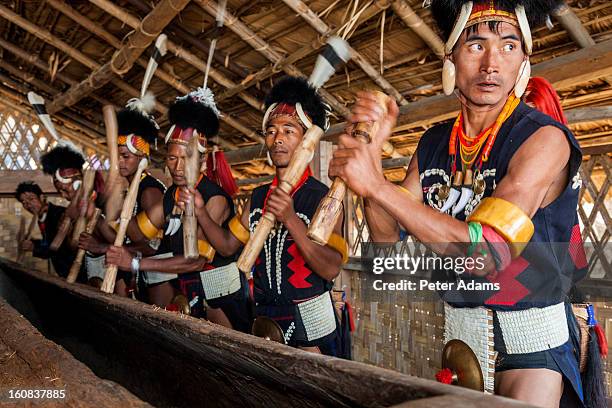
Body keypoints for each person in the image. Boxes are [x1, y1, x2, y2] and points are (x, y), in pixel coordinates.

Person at [327, 0, 591, 405]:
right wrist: (374, 154)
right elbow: (384, 238)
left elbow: (487, 253)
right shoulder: (434, 143)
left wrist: (377, 186)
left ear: (524, 60)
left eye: (508, 46)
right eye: (476, 46)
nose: (491, 64)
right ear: (449, 57)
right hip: (460, 342)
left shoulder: (542, 138)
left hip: (531, 349)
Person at [180, 76, 349, 356]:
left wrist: (291, 219)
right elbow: (226, 245)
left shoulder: (323, 197)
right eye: (271, 130)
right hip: (264, 318)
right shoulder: (258, 197)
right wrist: (200, 210)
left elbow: (331, 268)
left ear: (306, 139)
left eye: (288, 130)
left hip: (311, 324)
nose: (277, 138)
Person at [104, 87, 250, 333]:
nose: (178, 167)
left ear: (203, 161)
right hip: (187, 293)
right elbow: (140, 233)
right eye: (172, 159)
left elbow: (194, 262)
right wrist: (114, 203)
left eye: (186, 158)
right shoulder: (172, 195)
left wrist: (137, 264)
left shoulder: (215, 198)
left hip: (221, 301)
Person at [79, 100, 165, 293]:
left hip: (155, 280)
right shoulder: (130, 188)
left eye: (126, 156)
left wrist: (102, 248)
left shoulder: (150, 191)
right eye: (117, 156)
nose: (120, 162)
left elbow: (153, 246)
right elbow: (127, 239)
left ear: (142, 157)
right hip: (132, 272)